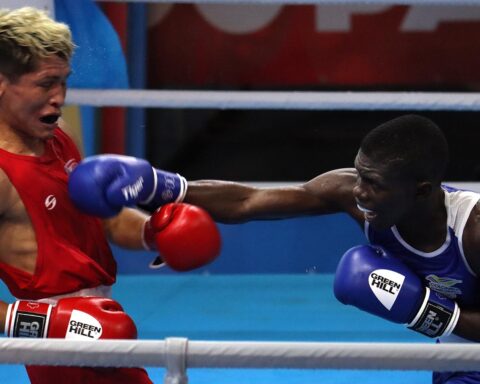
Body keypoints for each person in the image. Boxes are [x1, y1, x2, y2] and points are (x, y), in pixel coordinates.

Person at [70, 113, 480, 384]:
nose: (360, 192)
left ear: (422, 190)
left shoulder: (473, 231)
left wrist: (426, 313)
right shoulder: (352, 193)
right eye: (359, 176)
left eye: (374, 184)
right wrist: (165, 189)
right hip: (455, 361)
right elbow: (248, 202)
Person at [0, 7, 221, 384]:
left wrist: (153, 232)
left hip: (101, 318)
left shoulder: (57, 137)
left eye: (64, 82)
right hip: (57, 343)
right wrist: (51, 323)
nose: (59, 97)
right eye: (45, 83)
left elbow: (102, 217)